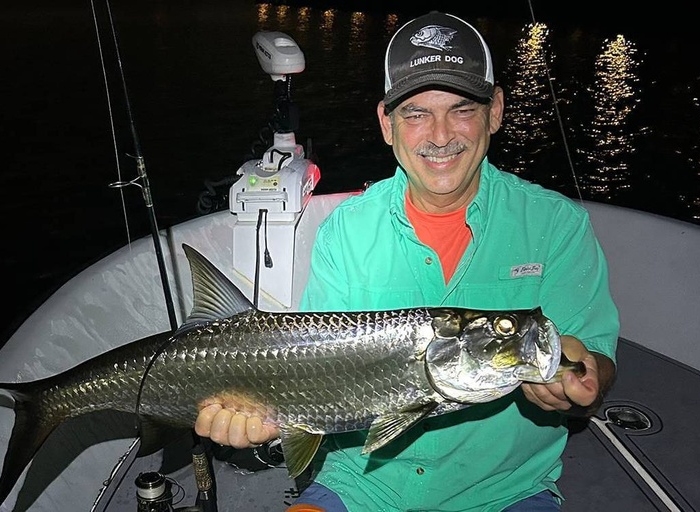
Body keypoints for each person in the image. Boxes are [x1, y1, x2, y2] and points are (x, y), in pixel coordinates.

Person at [196, 11, 619, 511]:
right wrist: (255, 413)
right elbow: (310, 369)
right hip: (362, 483)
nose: (440, 136)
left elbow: (595, 358)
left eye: (462, 110)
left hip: (504, 492)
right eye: (416, 114)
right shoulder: (347, 230)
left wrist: (584, 376)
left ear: (496, 111)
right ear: (387, 124)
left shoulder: (555, 225)